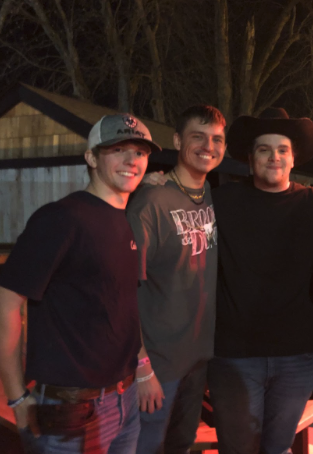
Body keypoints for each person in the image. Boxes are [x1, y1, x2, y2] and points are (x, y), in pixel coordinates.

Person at [0, 113, 160, 454]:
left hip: (124, 401)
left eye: (139, 152)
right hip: (72, 411)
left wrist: (142, 366)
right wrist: (17, 397)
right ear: (92, 157)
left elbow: (121, 308)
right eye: (118, 149)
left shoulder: (124, 222)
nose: (131, 160)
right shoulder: (61, 219)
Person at [207, 107, 313, 454]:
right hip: (233, 355)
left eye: (282, 150)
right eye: (263, 149)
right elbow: (175, 214)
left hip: (297, 355)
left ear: (294, 159)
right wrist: (160, 182)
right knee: (238, 448)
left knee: (278, 448)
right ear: (249, 158)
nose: (273, 157)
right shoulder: (221, 202)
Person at [126, 105, 226, 454]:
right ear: (178, 139)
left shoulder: (214, 197)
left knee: (181, 445)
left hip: (198, 359)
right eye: (197, 137)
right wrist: (141, 367)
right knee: (146, 447)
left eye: (216, 139)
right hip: (157, 363)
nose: (208, 146)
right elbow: (123, 291)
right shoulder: (150, 201)